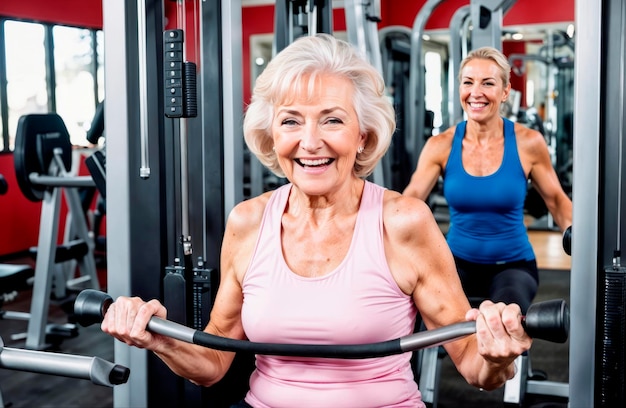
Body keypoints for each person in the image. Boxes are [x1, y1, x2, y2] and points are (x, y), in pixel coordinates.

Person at [101, 35, 531, 408]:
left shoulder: (403, 222)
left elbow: (476, 369)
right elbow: (213, 364)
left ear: (362, 134)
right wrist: (157, 339)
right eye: (291, 121)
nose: (310, 142)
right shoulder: (248, 222)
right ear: (272, 134)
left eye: (332, 120)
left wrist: (497, 356)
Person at [403, 46, 573, 315]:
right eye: (468, 82)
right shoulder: (441, 145)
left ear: (505, 91)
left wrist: (579, 237)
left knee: (504, 322)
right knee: (426, 317)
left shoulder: (529, 143)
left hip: (513, 266)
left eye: (488, 83)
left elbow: (556, 201)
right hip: (454, 263)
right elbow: (410, 200)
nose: (476, 92)